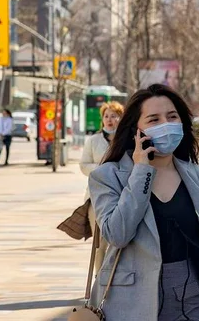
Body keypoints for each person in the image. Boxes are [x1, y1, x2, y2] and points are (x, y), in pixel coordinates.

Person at [88, 84, 199, 320]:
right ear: (136, 130)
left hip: (191, 295)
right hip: (133, 300)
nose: (165, 125)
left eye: (172, 117)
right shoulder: (107, 176)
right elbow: (117, 233)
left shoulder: (195, 174)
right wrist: (141, 172)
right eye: (153, 120)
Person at [79, 101, 123, 271]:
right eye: (106, 116)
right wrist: (102, 170)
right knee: (100, 243)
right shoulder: (93, 140)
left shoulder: (126, 140)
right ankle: (100, 280)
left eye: (114, 116)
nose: (110, 120)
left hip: (121, 195)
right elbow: (84, 165)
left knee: (118, 241)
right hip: (96, 196)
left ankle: (116, 280)